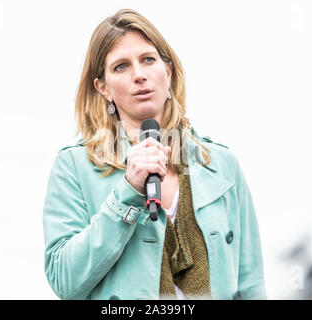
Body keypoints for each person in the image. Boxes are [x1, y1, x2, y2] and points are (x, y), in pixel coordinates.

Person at [42, 8, 266, 300]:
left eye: (148, 59)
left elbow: (251, 283)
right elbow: (64, 279)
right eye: (121, 66)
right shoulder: (74, 166)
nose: (139, 75)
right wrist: (126, 194)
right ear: (103, 88)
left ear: (168, 72)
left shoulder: (221, 164)